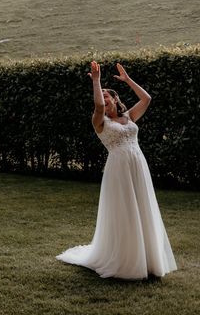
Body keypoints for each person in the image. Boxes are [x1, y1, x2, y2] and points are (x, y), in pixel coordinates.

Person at [57, 61, 177, 279]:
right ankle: (127, 261)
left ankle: (148, 259)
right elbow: (99, 107)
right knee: (125, 211)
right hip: (119, 169)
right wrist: (96, 81)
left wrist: (128, 80)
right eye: (100, 94)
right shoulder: (99, 120)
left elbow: (147, 99)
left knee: (142, 207)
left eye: (106, 94)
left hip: (138, 166)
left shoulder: (129, 116)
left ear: (115, 99)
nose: (103, 97)